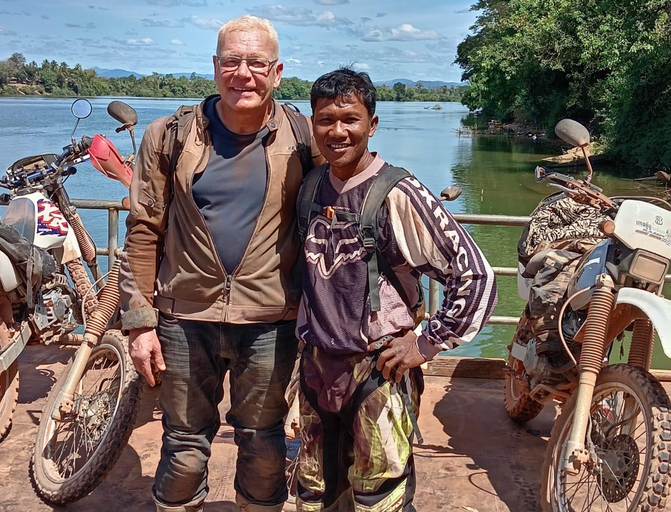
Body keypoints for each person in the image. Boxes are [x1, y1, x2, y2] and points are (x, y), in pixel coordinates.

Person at [118, 15, 320, 512]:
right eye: (232, 61)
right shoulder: (170, 136)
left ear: (277, 72)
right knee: (184, 446)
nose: (242, 73)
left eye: (256, 63)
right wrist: (139, 322)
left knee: (264, 441)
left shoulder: (305, 137)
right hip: (185, 318)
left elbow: (343, 214)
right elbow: (144, 230)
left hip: (270, 319)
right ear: (215, 67)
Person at [294, 68, 498, 511]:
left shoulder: (399, 193)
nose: (338, 130)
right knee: (314, 494)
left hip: (378, 372)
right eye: (326, 119)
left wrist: (426, 343)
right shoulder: (311, 186)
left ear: (372, 124)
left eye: (350, 119)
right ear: (313, 124)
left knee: (381, 495)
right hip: (317, 370)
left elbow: (477, 275)